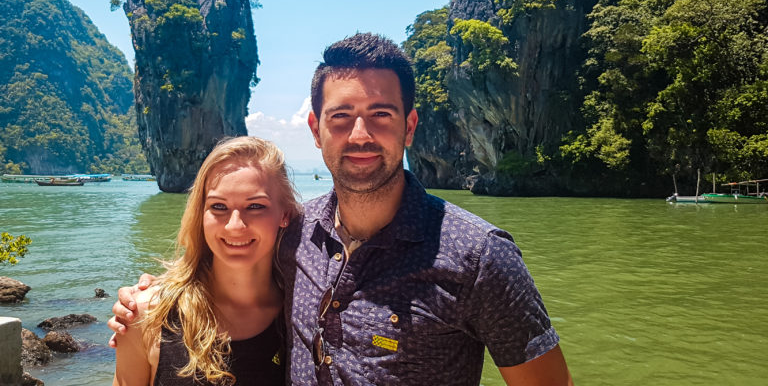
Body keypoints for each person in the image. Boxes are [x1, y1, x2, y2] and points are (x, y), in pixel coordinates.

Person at [111, 33, 573, 385]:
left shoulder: (478, 257)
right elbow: (225, 260)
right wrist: (147, 300)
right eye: (341, 116)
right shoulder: (294, 232)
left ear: (410, 126)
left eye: (381, 114)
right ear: (315, 129)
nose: (360, 135)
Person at [112, 136, 301, 386]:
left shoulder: (302, 314)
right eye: (218, 207)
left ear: (284, 214)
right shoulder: (148, 313)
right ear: (200, 214)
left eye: (255, 206)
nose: (235, 226)